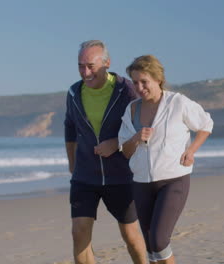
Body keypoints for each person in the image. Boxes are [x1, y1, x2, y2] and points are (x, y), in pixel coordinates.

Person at [118, 55, 213, 263]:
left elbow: (206, 124)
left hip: (173, 179)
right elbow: (125, 151)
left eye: (144, 81)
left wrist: (192, 150)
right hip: (142, 182)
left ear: (158, 79)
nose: (140, 87)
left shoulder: (177, 102)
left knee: (159, 240)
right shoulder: (132, 109)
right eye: (135, 82)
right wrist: (135, 137)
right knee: (151, 247)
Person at [64, 40, 147, 264]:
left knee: (130, 235)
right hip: (85, 176)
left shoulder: (127, 90)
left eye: (90, 66)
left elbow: (144, 127)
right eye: (81, 66)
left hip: (121, 175)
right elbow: (70, 128)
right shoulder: (73, 92)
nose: (85, 72)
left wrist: (116, 143)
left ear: (107, 63)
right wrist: (73, 164)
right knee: (79, 232)